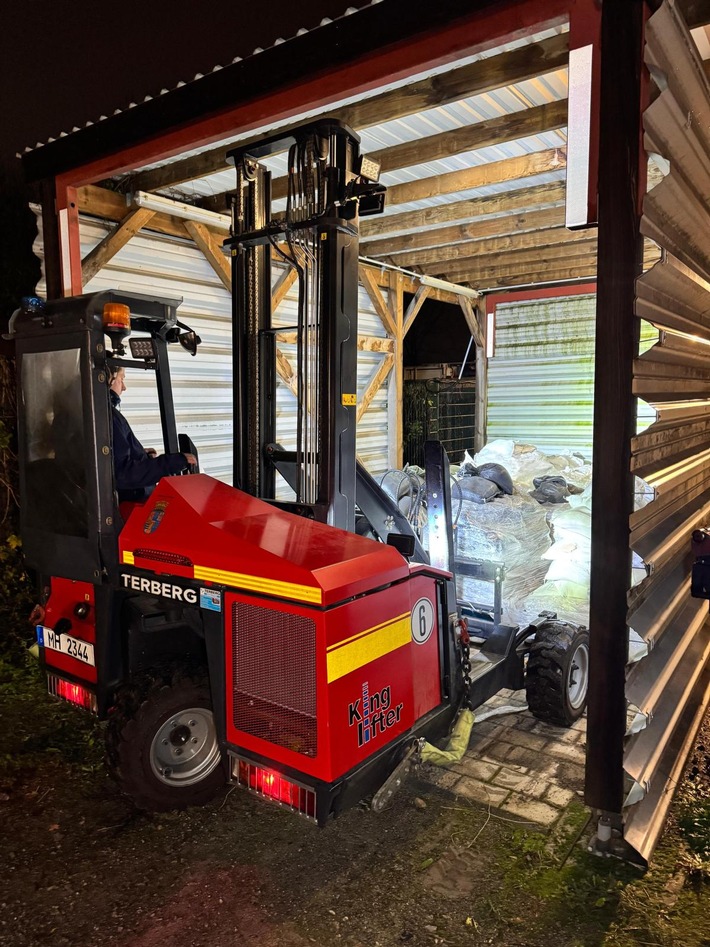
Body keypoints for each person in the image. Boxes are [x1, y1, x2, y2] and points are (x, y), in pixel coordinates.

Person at [109, 367, 197, 500]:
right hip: (129, 504)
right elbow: (124, 474)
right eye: (121, 379)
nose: (124, 387)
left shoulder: (104, 416)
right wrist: (171, 463)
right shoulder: (109, 417)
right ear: (109, 378)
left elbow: (115, 457)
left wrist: (140, 454)